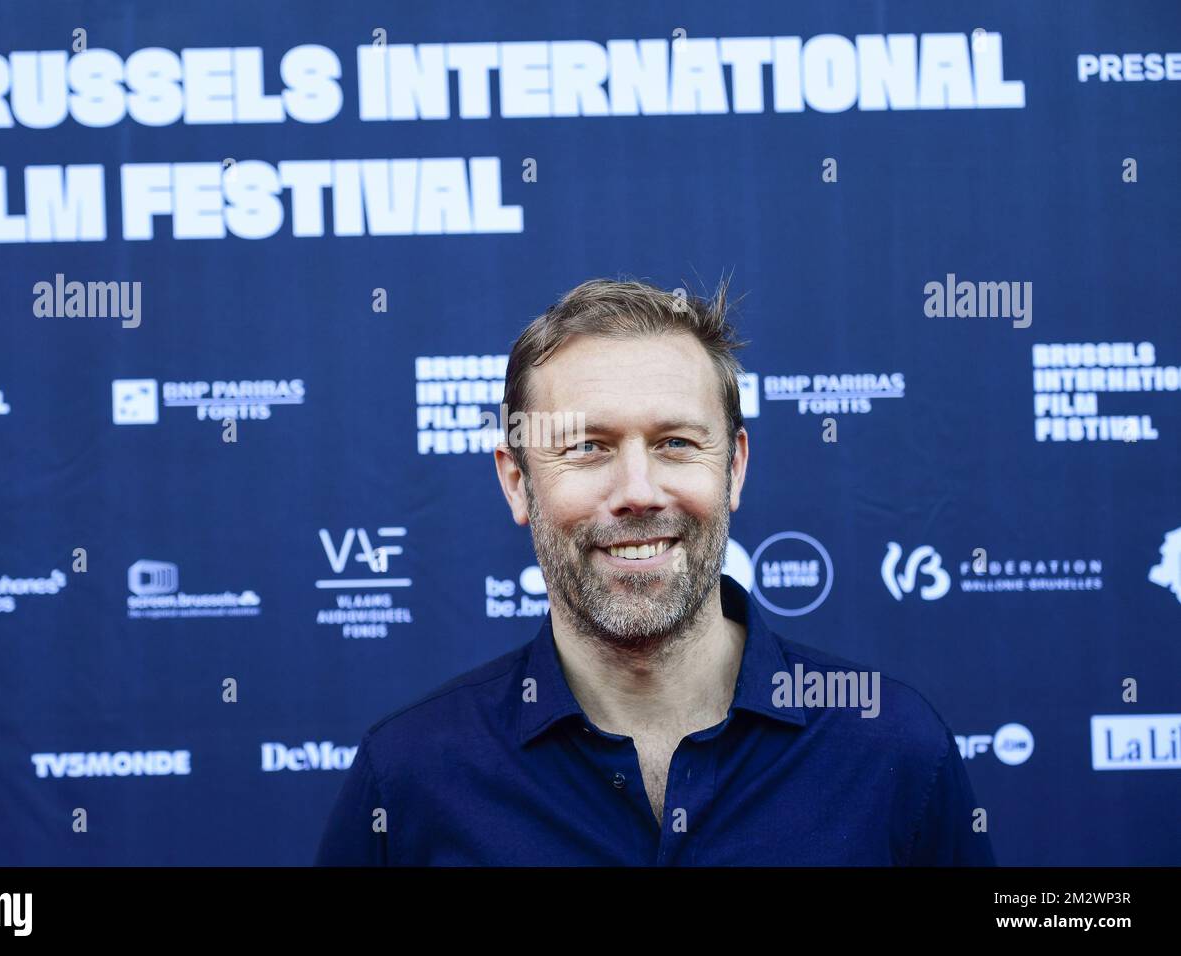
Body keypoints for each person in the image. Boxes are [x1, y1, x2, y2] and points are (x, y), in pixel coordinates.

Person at [316, 277, 994, 866]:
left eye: (675, 443)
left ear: (734, 468)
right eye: (587, 447)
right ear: (517, 482)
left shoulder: (891, 748)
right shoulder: (411, 775)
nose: (638, 491)